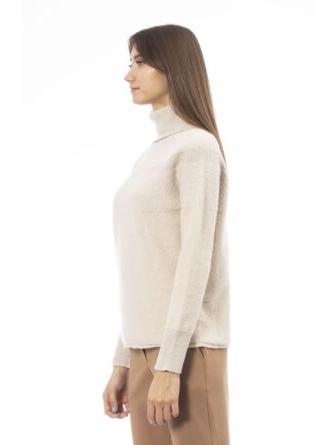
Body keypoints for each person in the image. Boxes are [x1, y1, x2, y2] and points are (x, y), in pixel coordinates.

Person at [102, 24, 231, 445]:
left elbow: (194, 260)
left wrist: (170, 365)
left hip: (186, 351)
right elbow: (147, 268)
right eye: (130, 63)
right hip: (145, 350)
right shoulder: (151, 156)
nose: (129, 75)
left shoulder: (197, 148)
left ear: (173, 66)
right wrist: (124, 359)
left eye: (140, 62)